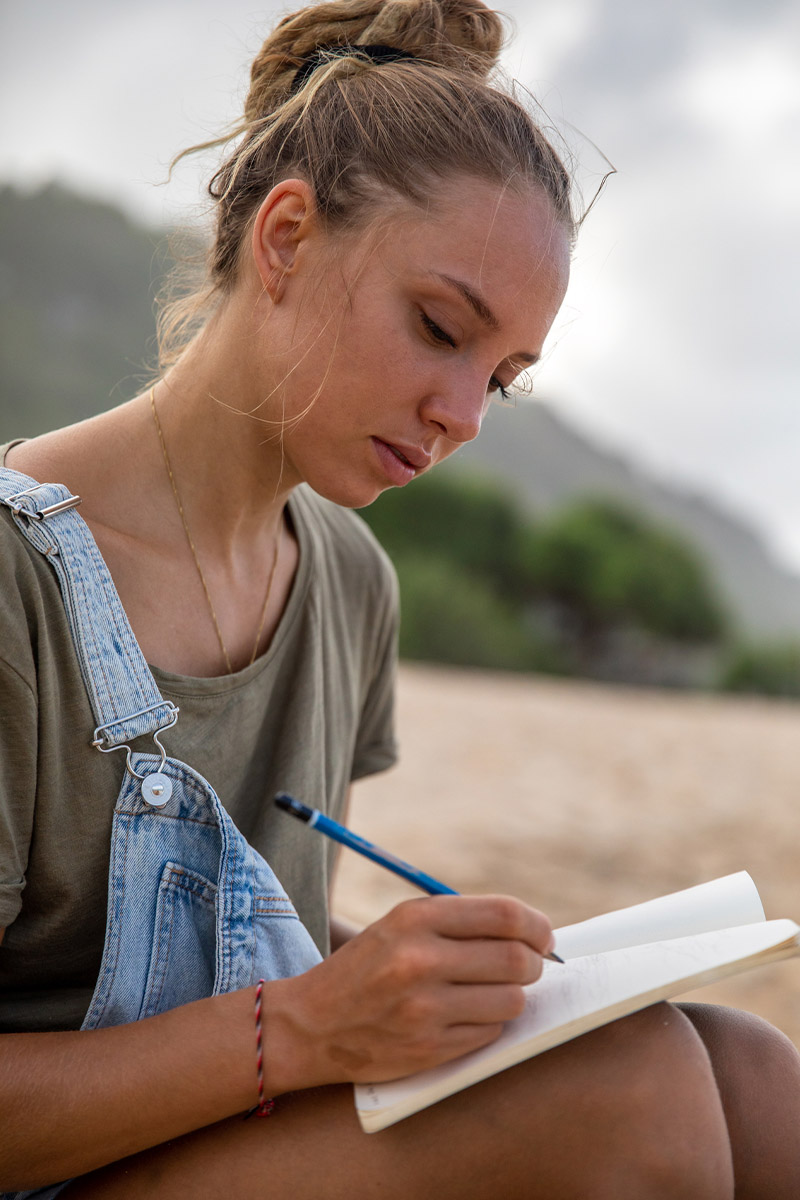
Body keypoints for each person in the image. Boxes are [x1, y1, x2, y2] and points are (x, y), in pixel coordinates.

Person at [1, 1, 799, 1196]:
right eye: (439, 330)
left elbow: (252, 925)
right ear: (282, 241)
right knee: (633, 1092)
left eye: (501, 381)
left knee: (744, 1068)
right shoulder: (16, 582)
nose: (463, 417)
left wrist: (413, 976)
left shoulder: (349, 582)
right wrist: (313, 1025)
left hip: (218, 1133)